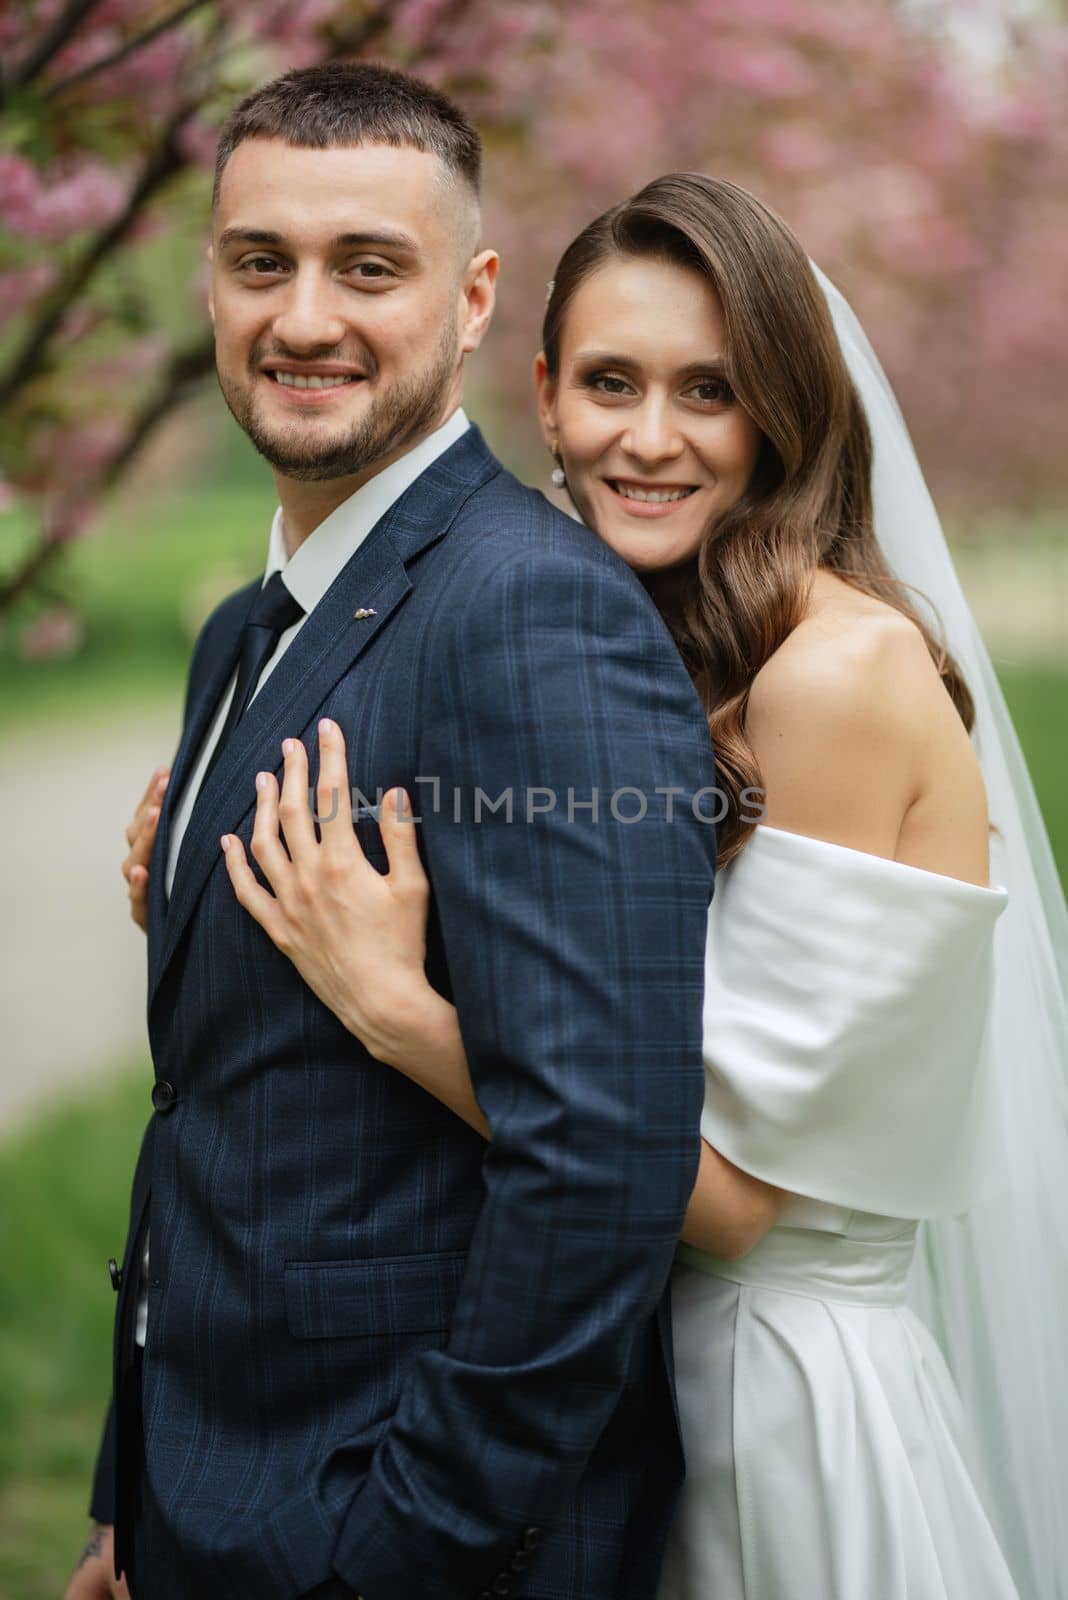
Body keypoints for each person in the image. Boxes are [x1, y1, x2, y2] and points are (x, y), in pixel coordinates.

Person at [126, 172, 1068, 1597]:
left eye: (711, 391)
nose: (648, 438)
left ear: (789, 413)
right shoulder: (653, 649)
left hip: (771, 1392)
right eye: (613, 382)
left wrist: (399, 1007)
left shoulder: (837, 674)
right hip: (630, 1377)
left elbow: (740, 1201)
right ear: (547, 395)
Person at [69, 66, 723, 1600]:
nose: (305, 318)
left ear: (477, 295)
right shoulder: (246, 624)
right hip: (206, 1488)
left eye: (370, 266)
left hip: (386, 1531)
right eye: (260, 263)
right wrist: (133, 1499)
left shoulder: (537, 615)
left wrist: (395, 1548)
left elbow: (602, 1166)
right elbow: (206, 1106)